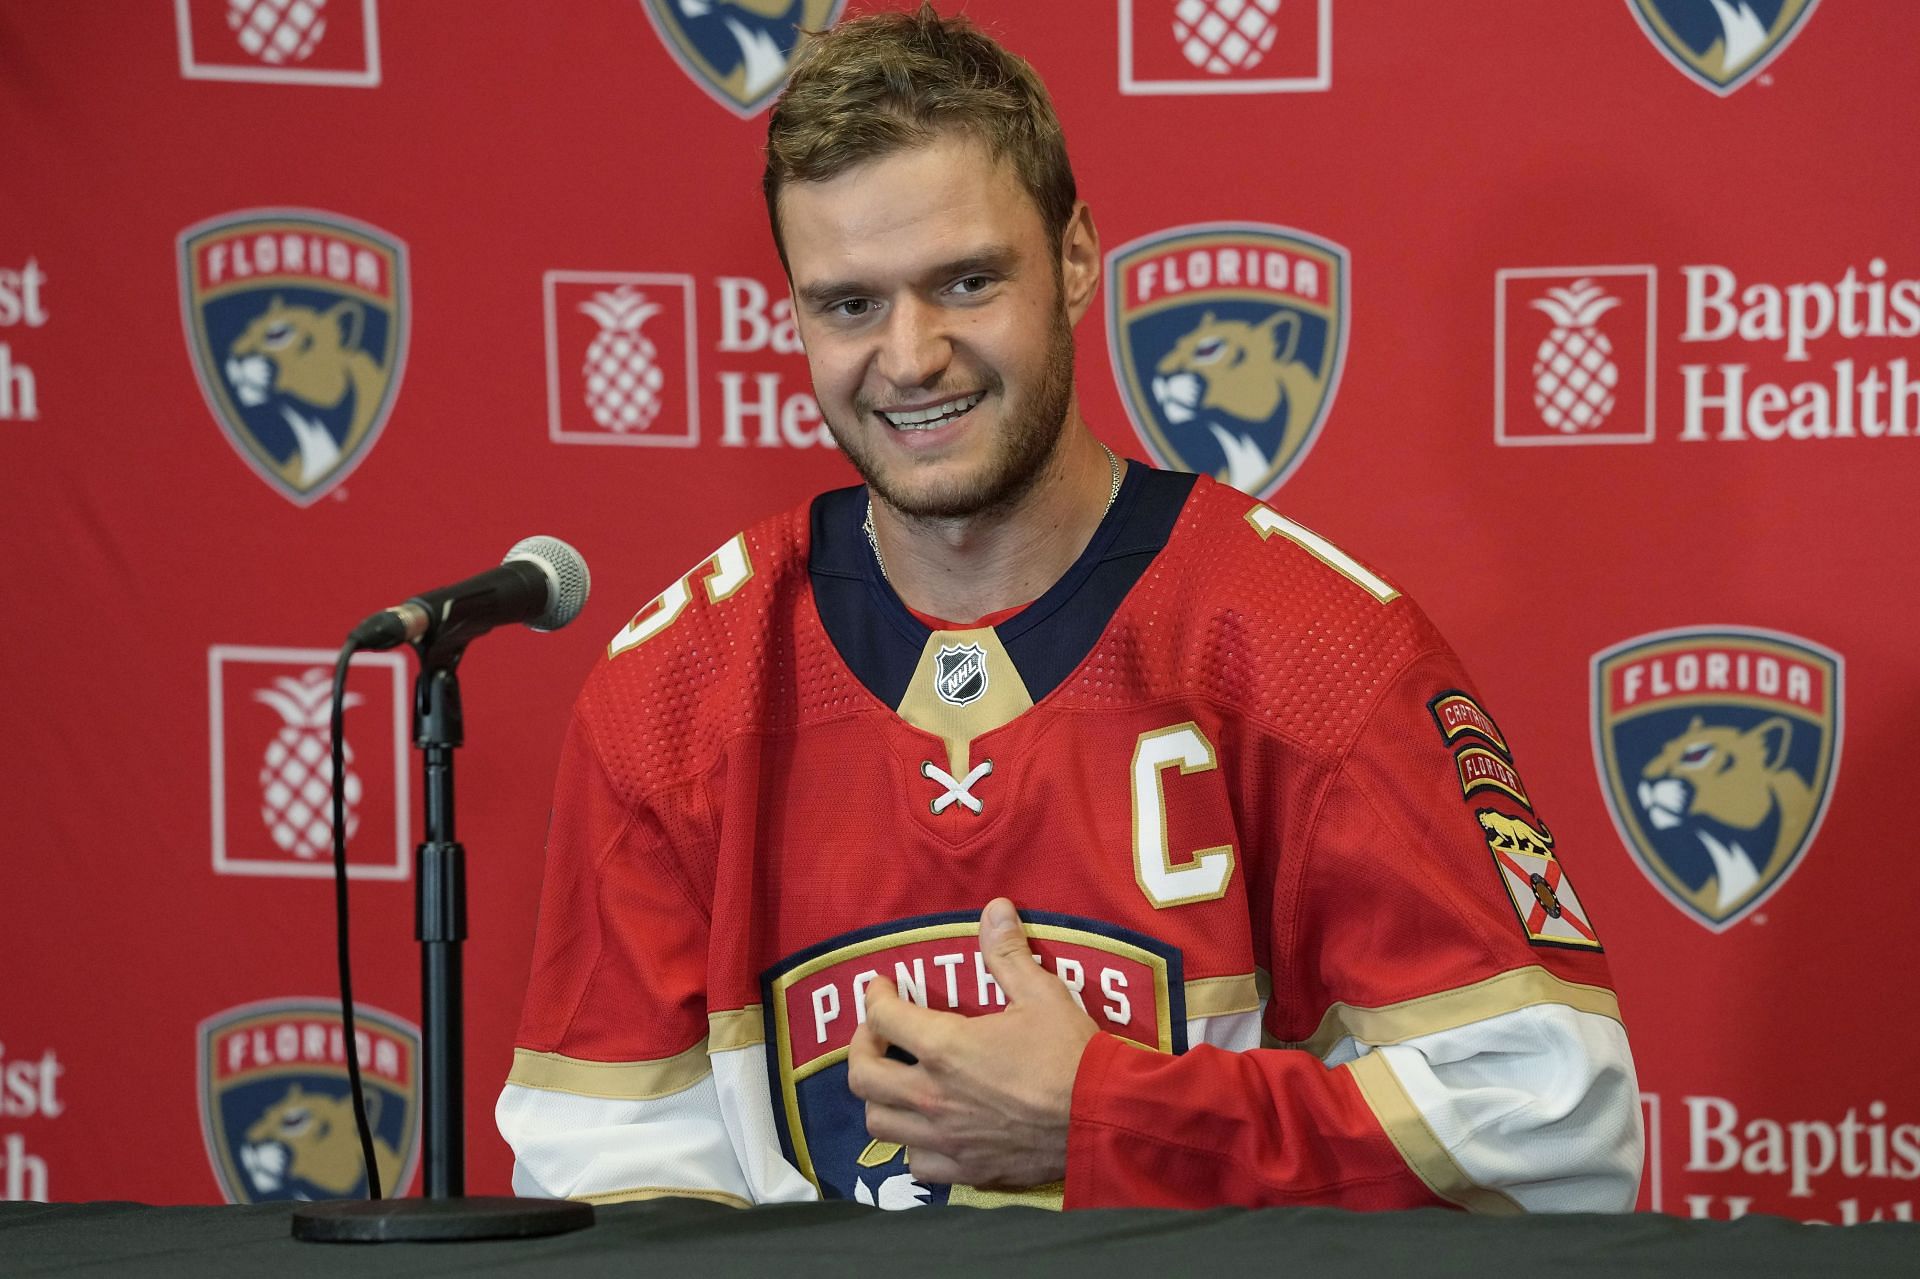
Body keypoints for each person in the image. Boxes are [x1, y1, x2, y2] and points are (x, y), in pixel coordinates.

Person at [496, 4, 1642, 1212]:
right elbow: (604, 1183)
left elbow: (1559, 1137)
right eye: (849, 304)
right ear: (792, 313)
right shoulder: (675, 691)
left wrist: (1112, 1117)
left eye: (967, 280)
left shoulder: (1319, 655)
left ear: (1079, 257)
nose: (911, 354)